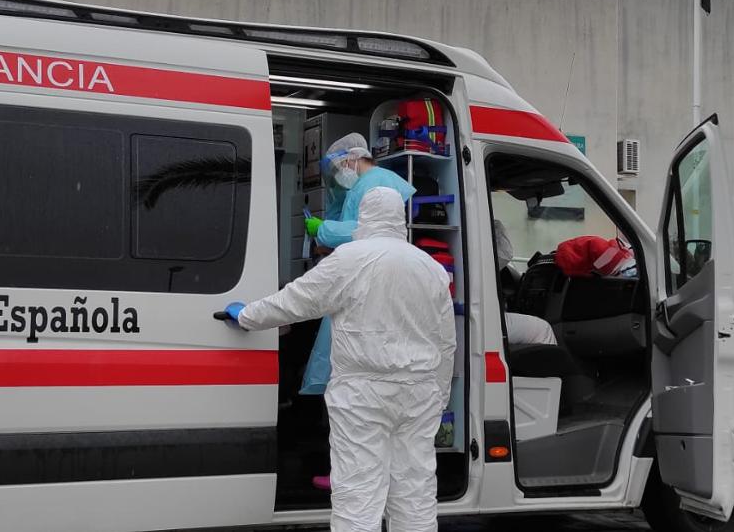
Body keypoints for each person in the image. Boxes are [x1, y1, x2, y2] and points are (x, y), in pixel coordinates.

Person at [223, 187, 455, 532]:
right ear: (400, 218)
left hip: (363, 395)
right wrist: (439, 396)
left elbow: (295, 301)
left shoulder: (350, 259)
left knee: (358, 495)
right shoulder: (431, 268)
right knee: (415, 493)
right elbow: (446, 341)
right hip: (420, 392)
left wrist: (246, 316)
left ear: (364, 216)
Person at [307, 133, 416, 249]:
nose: (339, 172)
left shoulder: (372, 183)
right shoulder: (368, 181)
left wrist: (322, 229)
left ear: (353, 156)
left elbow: (362, 230)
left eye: (340, 165)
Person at [492, 219, 557, 346]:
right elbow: (505, 254)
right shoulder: (485, 257)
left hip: (472, 317)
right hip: (484, 320)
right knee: (543, 330)